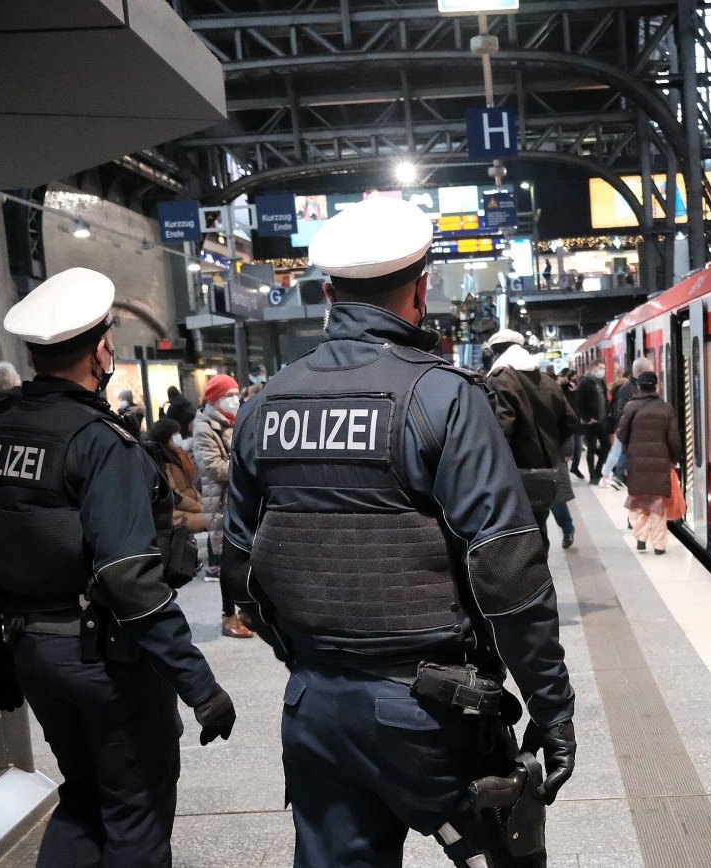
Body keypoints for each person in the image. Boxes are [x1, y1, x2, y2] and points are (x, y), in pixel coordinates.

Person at [222, 197, 576, 867]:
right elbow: (508, 575)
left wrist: (317, 659)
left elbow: (242, 571)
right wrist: (552, 711)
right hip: (433, 713)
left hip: (315, 711)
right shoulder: (444, 398)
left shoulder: (264, 405)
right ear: (421, 287)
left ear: (327, 294)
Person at [0, 268, 235, 866]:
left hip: (34, 654)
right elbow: (130, 576)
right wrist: (200, 685)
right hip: (105, 660)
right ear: (101, 348)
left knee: (83, 800)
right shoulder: (100, 440)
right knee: (135, 810)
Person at [485, 328, 579, 552]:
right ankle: (540, 579)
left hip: (514, 475)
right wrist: (550, 450)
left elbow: (502, 427)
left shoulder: (500, 379)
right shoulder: (547, 381)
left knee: (516, 539)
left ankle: (530, 583)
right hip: (544, 474)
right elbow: (570, 421)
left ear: (497, 352)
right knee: (539, 529)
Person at [194, 374, 253, 639]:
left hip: (239, 498)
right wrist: (247, 469)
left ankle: (245, 612)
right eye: (228, 395)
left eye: (236, 393)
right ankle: (228, 616)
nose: (234, 399)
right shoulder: (204, 425)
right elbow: (212, 466)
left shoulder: (235, 421)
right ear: (215, 399)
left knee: (245, 558)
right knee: (229, 563)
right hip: (220, 501)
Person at [616, 370, 682, 555]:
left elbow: (621, 434)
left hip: (636, 462)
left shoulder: (630, 407)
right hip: (660, 463)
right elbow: (674, 439)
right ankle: (659, 546)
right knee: (657, 505)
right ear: (656, 386)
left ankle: (641, 538)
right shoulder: (666, 408)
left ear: (638, 386)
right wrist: (674, 458)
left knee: (638, 502)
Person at [145, 418, 206, 534]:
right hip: (175, 514)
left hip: (188, 508)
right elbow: (175, 496)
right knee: (215, 521)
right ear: (166, 437)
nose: (178, 436)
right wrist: (199, 507)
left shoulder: (178, 455)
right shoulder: (163, 461)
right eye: (175, 434)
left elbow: (190, 486)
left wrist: (200, 503)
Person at [601, 358, 651, 488]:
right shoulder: (627, 389)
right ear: (640, 372)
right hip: (625, 428)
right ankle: (609, 475)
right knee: (617, 451)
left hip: (626, 428)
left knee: (619, 452)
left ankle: (615, 476)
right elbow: (622, 412)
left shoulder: (633, 387)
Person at [576, 361, 608, 484]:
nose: (602, 371)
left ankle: (598, 469)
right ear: (593, 368)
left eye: (603, 368)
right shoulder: (585, 383)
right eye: (600, 368)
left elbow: (604, 399)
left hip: (601, 421)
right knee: (591, 448)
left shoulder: (601, 382)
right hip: (590, 422)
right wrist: (587, 418)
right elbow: (579, 403)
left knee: (606, 445)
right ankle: (593, 475)